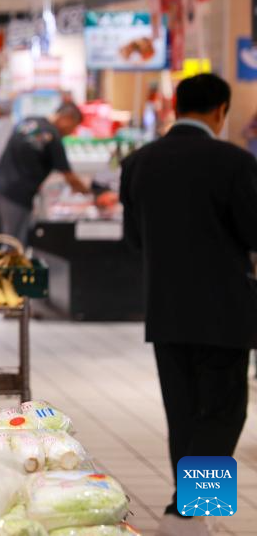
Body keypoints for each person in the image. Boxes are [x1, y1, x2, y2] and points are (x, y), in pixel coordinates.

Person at [120, 74, 257, 536]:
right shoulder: (233, 162)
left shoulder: (139, 162)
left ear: (177, 107)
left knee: (184, 413)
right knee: (222, 412)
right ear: (220, 110)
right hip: (225, 310)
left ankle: (194, 515)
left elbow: (133, 239)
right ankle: (187, 513)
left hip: (164, 307)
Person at [0, 102, 91, 244]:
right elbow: (69, 176)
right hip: (17, 198)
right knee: (14, 246)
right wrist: (91, 194)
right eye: (74, 127)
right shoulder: (53, 136)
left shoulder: (28, 121)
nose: (71, 132)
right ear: (67, 118)